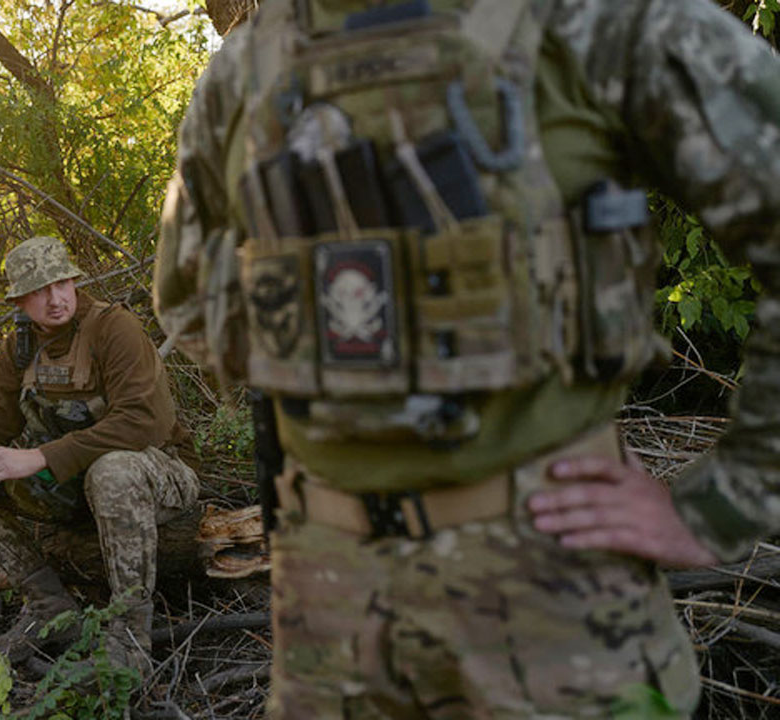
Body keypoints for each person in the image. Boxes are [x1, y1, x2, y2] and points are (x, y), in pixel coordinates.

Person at [155, 0, 780, 717]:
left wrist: (720, 503)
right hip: (330, 628)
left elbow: (193, 310)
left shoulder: (601, 25)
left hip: (558, 610)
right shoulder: (242, 68)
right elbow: (190, 298)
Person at [0, 235, 200, 676]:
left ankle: (128, 638)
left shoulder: (112, 328)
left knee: (113, 470)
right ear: (20, 300)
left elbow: (139, 422)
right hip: (74, 487)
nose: (55, 298)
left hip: (160, 472)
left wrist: (41, 457)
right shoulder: (17, 349)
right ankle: (48, 606)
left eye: (61, 283)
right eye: (39, 291)